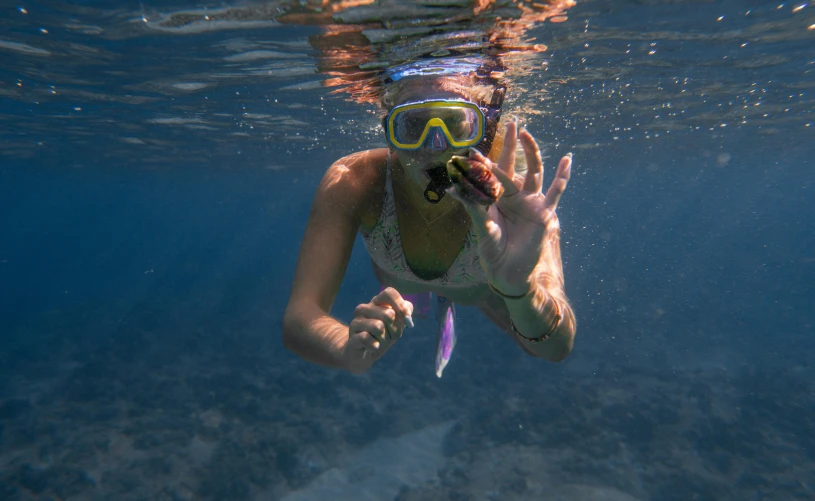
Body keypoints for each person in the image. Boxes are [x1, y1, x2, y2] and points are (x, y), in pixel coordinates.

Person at [282, 57, 576, 375]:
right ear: (388, 130)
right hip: (401, 287)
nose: (435, 147)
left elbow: (556, 348)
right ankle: (432, 301)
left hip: (481, 293)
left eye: (454, 123)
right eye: (412, 125)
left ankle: (447, 301)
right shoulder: (354, 181)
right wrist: (347, 347)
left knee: (529, 337)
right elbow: (300, 317)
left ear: (485, 129)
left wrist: (521, 290)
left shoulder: (511, 192)